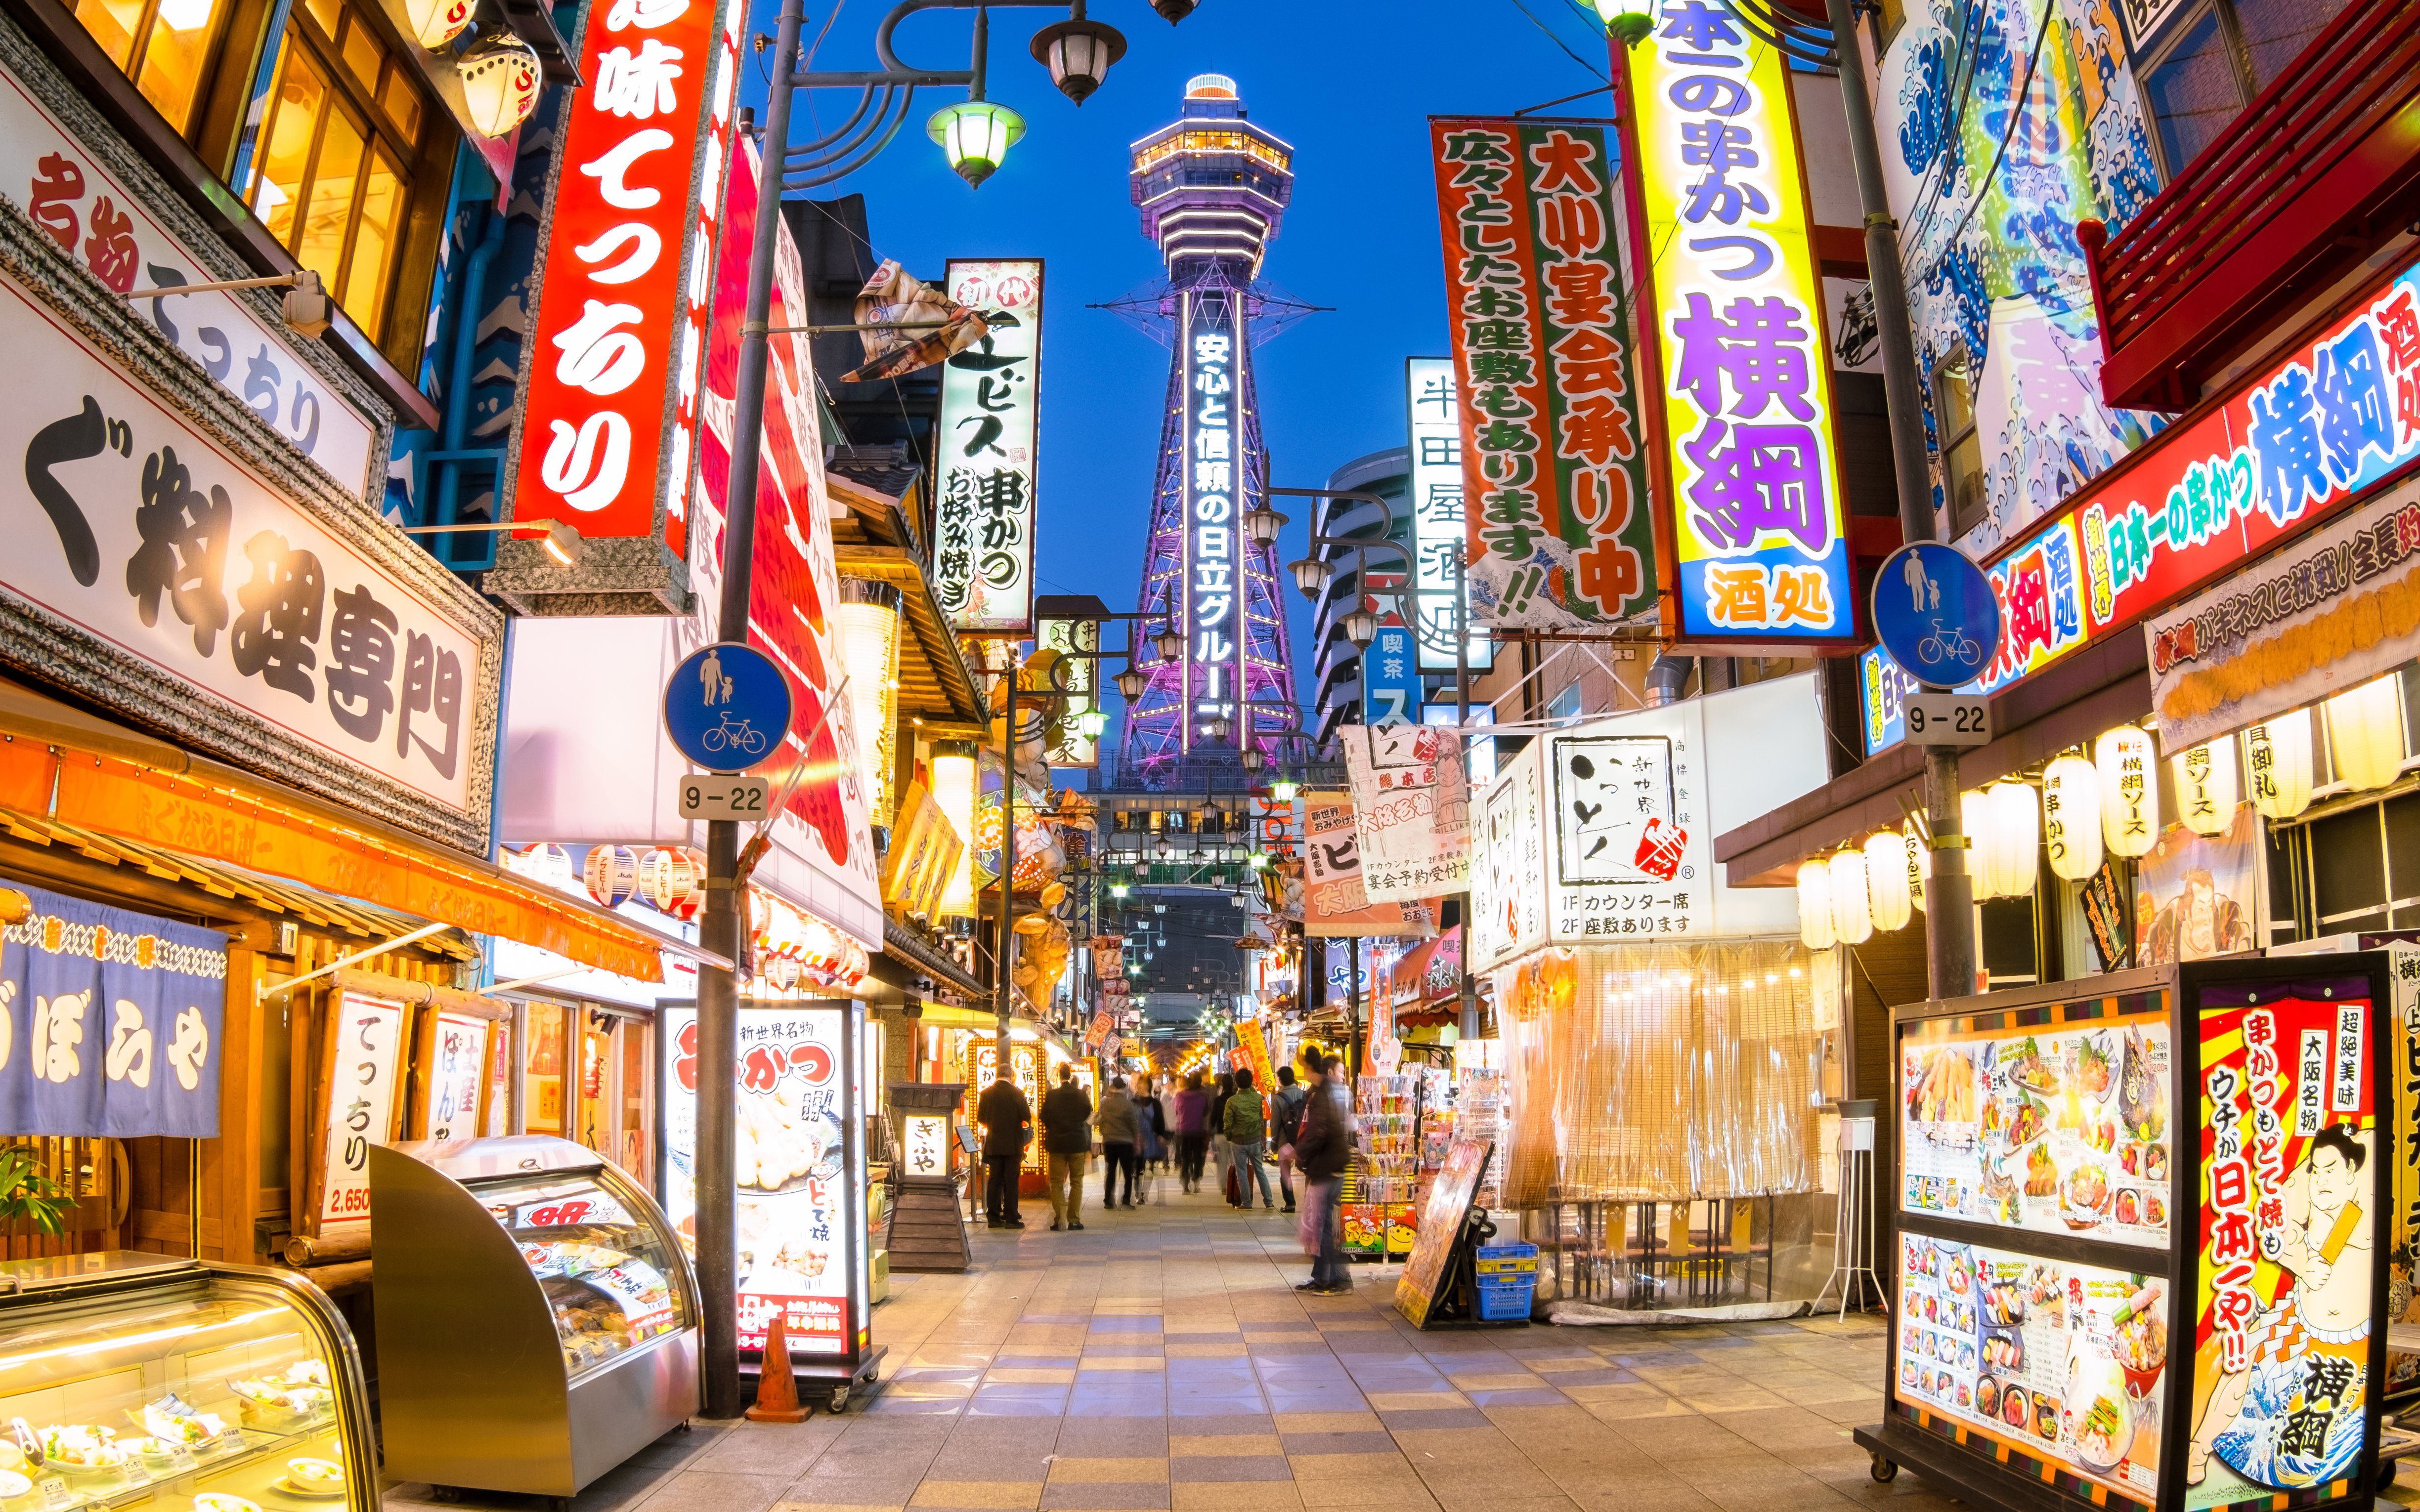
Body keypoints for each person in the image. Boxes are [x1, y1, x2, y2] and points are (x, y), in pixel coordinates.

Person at [2187, 1122, 2376, 1489]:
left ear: (2350, 1169)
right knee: (2244, 1361)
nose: (2321, 1179)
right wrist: (2302, 1261)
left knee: (2319, 1430)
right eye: (2317, 1171)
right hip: (2302, 1316)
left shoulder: (2370, 1178)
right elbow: (2276, 1220)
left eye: (2331, 1171)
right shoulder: (2317, 1167)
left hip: (2355, 1337)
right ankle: (2199, 1448)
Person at [1293, 1052, 1354, 1293]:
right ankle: (1321, 1277)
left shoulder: (1323, 1095)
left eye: (1305, 1069)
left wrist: (1299, 1152)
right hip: (1332, 1165)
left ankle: (1339, 1280)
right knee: (1322, 1224)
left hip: (1328, 1166)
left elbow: (1318, 1134)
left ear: (1311, 1069)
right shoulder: (1331, 1092)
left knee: (1325, 1227)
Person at [1038, 1064, 1093, 1232]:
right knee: (1077, 1181)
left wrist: (1054, 1126)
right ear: (1070, 1076)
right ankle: (1074, 1220)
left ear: (1059, 1076)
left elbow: (1043, 1117)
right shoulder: (1081, 1095)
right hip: (1077, 1143)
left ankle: (1059, 1219)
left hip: (1057, 1144)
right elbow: (1088, 1112)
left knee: (1056, 1182)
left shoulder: (1052, 1095)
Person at [975, 1071, 1031, 1229]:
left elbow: (981, 1118)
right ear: (1010, 1075)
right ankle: (1011, 1217)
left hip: (994, 1144)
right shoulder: (1017, 1093)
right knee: (1011, 1181)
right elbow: (1026, 1115)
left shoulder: (987, 1093)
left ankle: (993, 1217)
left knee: (995, 1180)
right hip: (1013, 1144)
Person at [1222, 1066, 1275, 1210]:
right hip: (1255, 1140)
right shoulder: (1258, 1098)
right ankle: (1269, 1201)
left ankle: (1247, 1202)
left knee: (1242, 1172)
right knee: (1260, 1171)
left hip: (1238, 1142)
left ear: (1236, 1082)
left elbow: (1228, 1123)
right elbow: (1260, 1118)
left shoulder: (1232, 1102)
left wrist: (1229, 1136)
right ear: (1251, 1082)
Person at [1094, 1075, 1142, 1210]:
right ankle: (1126, 1200)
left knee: (1111, 1171)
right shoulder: (1128, 1104)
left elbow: (1101, 1119)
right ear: (1124, 1088)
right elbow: (1133, 1124)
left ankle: (1108, 1200)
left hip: (1110, 1142)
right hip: (1126, 1143)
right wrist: (1137, 1137)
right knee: (1128, 1173)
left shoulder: (1105, 1102)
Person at [1269, 1063, 1308, 1215]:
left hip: (1285, 1142)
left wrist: (1273, 1142)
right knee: (1307, 1172)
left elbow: (1275, 1123)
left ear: (1280, 1080)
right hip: (1303, 1140)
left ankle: (1290, 1203)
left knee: (1285, 1173)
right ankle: (1308, 1203)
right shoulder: (1303, 1094)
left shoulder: (1278, 1098)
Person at [1132, 1075, 1168, 1204]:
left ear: (1148, 1085)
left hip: (1151, 1138)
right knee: (1137, 1168)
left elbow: (1160, 1121)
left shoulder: (1155, 1103)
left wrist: (1161, 1135)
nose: (1140, 1086)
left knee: (1149, 1166)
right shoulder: (1133, 1102)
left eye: (1142, 1083)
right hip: (1136, 1139)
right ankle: (1137, 1193)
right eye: (1139, 1083)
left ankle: (1143, 1193)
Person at [1174, 1072, 1210, 1192]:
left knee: (1185, 1157)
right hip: (1198, 1131)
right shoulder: (1203, 1097)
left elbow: (1177, 1111)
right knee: (1198, 1157)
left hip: (1184, 1132)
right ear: (1200, 1083)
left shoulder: (1180, 1096)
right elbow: (1205, 1113)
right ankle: (1196, 1180)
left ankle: (1185, 1185)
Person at [1210, 1071, 1236, 1202]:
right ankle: (1236, 1184)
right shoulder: (1236, 1099)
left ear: (1222, 1085)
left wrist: (1210, 1132)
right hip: (1236, 1136)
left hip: (1221, 1134)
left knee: (1222, 1163)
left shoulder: (1218, 1100)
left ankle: (1224, 1187)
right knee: (1235, 1161)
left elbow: (1213, 1118)